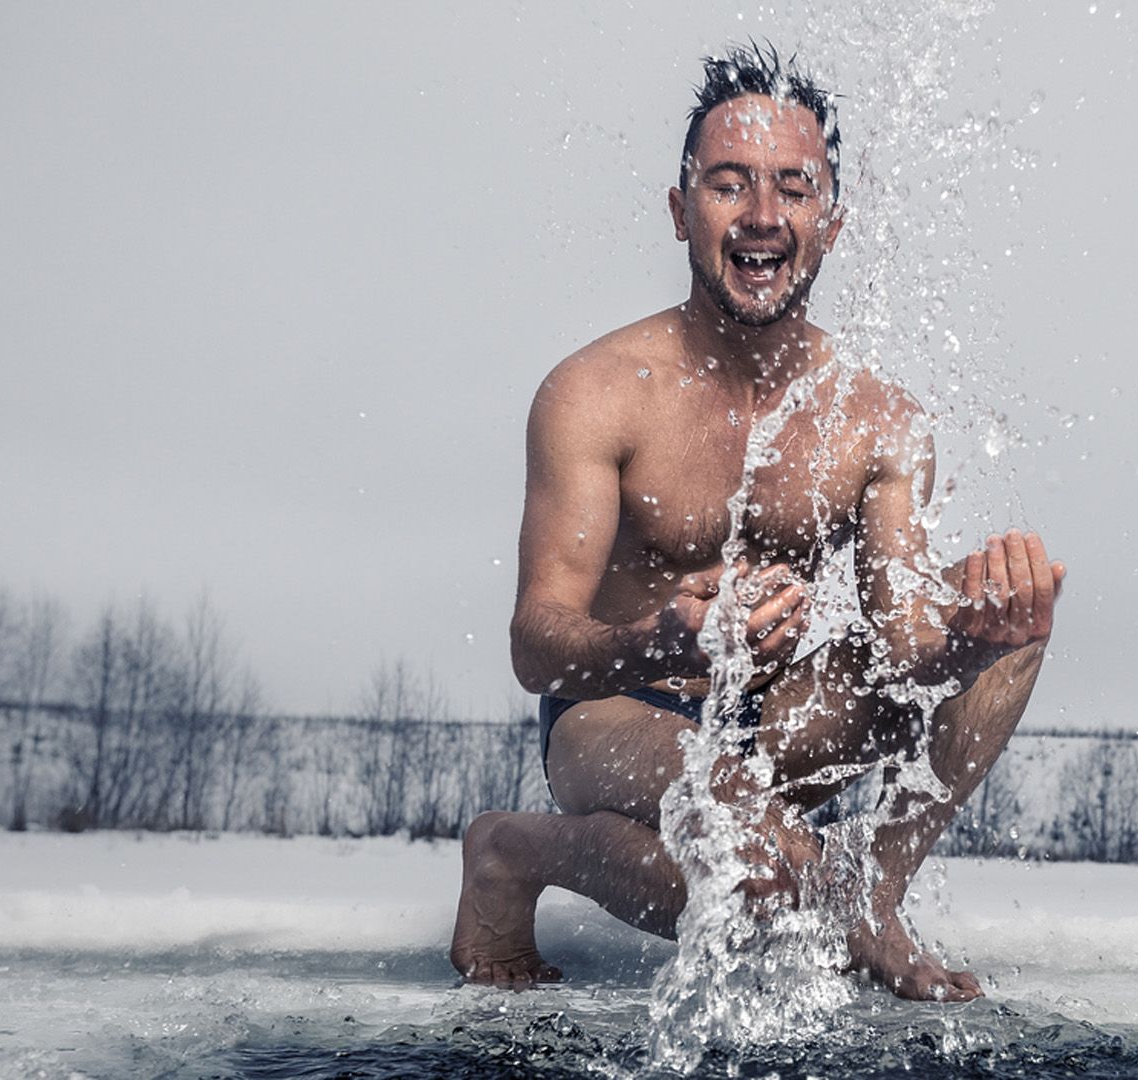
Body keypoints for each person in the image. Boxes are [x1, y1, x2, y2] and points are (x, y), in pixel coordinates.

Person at [449, 44, 1065, 1003]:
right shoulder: (596, 394)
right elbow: (538, 649)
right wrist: (663, 633)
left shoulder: (880, 421)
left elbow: (904, 644)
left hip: (771, 720)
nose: (764, 217)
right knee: (757, 868)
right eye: (730, 185)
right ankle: (514, 849)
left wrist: (968, 642)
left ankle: (872, 896)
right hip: (614, 714)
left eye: (794, 187)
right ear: (680, 207)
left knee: (1007, 636)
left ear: (832, 218)